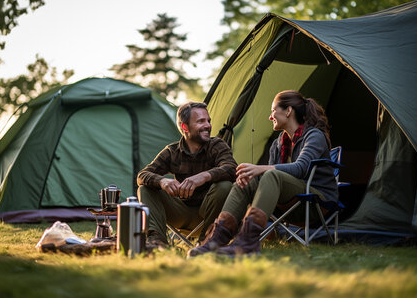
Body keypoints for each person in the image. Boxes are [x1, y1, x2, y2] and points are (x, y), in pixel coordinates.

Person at [188, 90, 338, 257]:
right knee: (245, 181)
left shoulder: (313, 135)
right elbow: (269, 181)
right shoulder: (278, 144)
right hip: (287, 202)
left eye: (273, 111)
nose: (270, 116)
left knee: (270, 174)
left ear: (288, 111)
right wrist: (251, 175)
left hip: (316, 201)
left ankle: (248, 241)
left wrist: (259, 168)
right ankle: (216, 239)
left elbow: (300, 168)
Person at [137, 102, 237, 250]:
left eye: (208, 120)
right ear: (185, 127)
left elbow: (232, 169)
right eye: (200, 121)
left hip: (209, 212)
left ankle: (207, 241)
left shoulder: (217, 145)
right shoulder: (172, 152)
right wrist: (162, 181)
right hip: (181, 211)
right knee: (145, 188)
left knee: (224, 186)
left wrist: (204, 176)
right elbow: (142, 175)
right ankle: (157, 242)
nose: (208, 125)